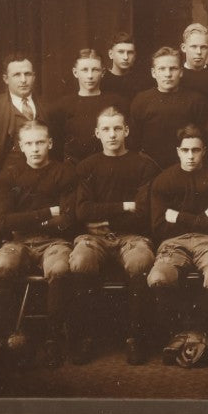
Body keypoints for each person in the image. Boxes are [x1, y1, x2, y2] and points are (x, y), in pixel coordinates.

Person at [69, 107, 159, 364]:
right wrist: (123, 206)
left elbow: (142, 214)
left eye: (117, 128)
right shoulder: (87, 166)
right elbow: (82, 211)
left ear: (126, 131)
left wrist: (104, 217)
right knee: (80, 261)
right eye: (106, 129)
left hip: (132, 236)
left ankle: (135, 337)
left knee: (141, 262)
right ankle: (86, 337)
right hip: (93, 238)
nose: (112, 134)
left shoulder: (144, 165)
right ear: (97, 133)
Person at [0, 120, 79, 364]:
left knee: (60, 269)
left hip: (55, 241)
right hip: (19, 241)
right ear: (21, 147)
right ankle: (2, 338)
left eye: (40, 142)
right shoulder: (9, 175)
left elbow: (68, 218)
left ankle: (53, 338)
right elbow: (4, 222)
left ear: (49, 143)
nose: (35, 148)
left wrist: (27, 220)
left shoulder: (64, 172)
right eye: (29, 143)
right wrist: (47, 212)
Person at [147, 125, 208, 367]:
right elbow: (159, 227)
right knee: (158, 277)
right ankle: (181, 332)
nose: (191, 155)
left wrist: (179, 216)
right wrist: (202, 218)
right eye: (186, 150)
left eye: (196, 150)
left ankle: (199, 332)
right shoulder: (164, 180)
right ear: (178, 151)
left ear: (204, 151)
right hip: (174, 242)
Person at [0, 52, 60, 202]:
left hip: (44, 192)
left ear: (34, 76)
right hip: (4, 194)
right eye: (17, 75)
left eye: (27, 74)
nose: (23, 80)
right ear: (5, 79)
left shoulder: (48, 108)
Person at [129, 47, 208, 170]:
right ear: (153, 73)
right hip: (150, 166)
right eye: (162, 69)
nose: (168, 74)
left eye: (173, 69)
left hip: (187, 166)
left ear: (181, 72)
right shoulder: (141, 100)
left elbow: (203, 138)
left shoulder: (196, 100)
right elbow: (134, 141)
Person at [51, 49, 126, 163]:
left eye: (95, 70)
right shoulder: (63, 105)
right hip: (74, 168)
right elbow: (56, 145)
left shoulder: (116, 102)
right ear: (75, 72)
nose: (90, 76)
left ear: (103, 72)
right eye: (85, 70)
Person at [178, 22, 208, 116]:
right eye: (194, 47)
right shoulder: (175, 77)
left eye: (203, 47)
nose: (199, 52)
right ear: (183, 48)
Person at [104, 30, 152, 100]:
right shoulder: (102, 80)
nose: (126, 57)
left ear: (135, 56)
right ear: (110, 54)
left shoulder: (142, 81)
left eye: (130, 52)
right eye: (121, 52)